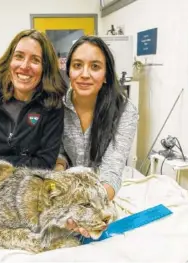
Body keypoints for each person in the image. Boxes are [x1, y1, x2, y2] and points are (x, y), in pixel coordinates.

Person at [55, 36, 139, 236]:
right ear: (69, 71)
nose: (85, 74)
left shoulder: (125, 110)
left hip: (103, 192)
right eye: (77, 65)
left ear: (106, 75)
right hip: (67, 187)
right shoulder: (55, 106)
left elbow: (113, 166)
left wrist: (92, 209)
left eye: (95, 66)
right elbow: (59, 152)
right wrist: (59, 177)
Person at [0, 29, 68, 170]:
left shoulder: (52, 106)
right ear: (9, 60)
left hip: (29, 186)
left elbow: (45, 163)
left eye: (35, 60)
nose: (24, 66)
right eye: (19, 56)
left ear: (45, 68)